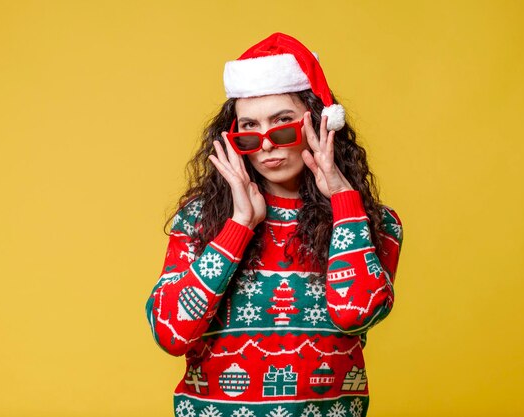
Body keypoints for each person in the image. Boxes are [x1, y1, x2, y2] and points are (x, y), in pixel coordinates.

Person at [145, 32, 404, 417]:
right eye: (249, 129)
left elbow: (357, 311)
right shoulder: (201, 220)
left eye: (282, 125)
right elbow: (171, 333)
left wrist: (344, 201)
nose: (266, 145)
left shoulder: (374, 223)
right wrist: (239, 225)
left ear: (319, 124)